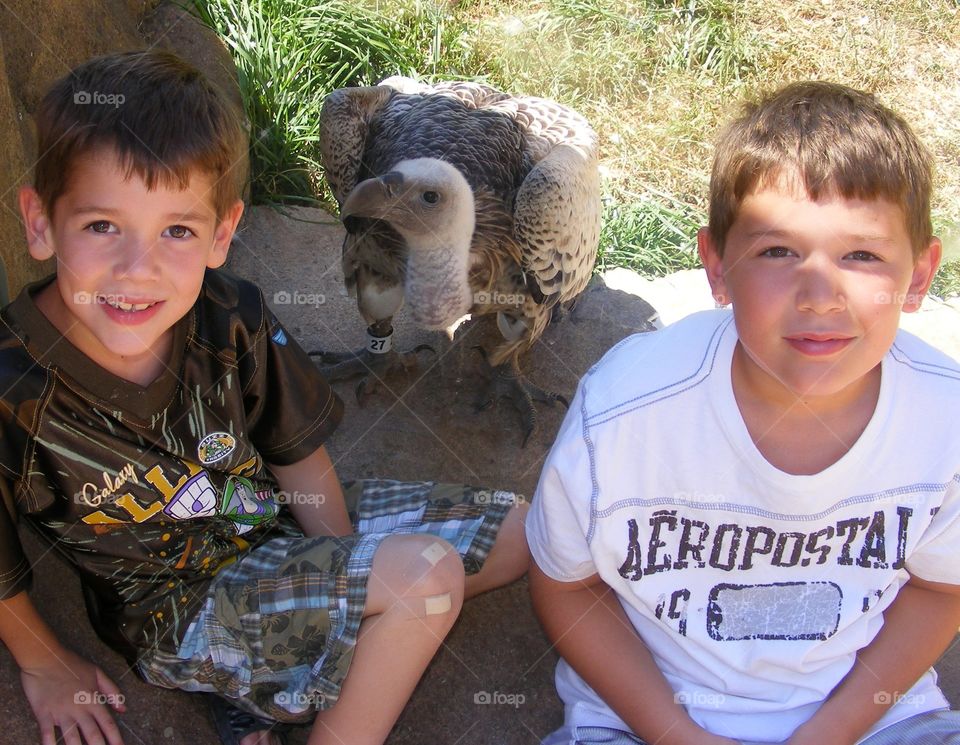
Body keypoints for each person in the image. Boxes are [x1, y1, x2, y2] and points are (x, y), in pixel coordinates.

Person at [0, 50, 529, 745]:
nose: (139, 268)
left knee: (523, 531)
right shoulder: (14, 384)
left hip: (271, 524)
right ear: (40, 222)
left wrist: (344, 573)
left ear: (222, 234)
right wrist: (43, 661)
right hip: (182, 610)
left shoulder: (231, 314)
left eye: (177, 231)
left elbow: (295, 451)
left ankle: (294, 675)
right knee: (426, 579)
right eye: (103, 226)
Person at [527, 80, 960, 745]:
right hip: (646, 723)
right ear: (717, 267)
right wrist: (676, 734)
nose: (820, 294)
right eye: (778, 251)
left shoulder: (945, 421)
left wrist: (830, 733)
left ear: (921, 274)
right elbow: (570, 585)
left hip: (872, 724)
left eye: (863, 254)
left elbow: (940, 587)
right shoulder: (621, 414)